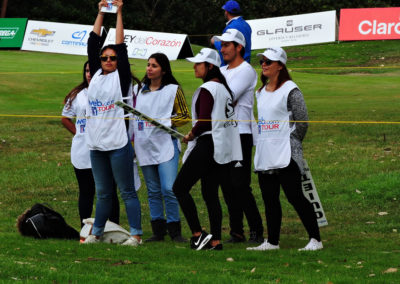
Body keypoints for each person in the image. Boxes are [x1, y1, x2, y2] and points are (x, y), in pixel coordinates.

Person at [247, 47, 323, 251]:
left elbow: (302, 121)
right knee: (269, 198)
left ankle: (315, 239)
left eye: (268, 62)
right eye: (262, 61)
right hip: (266, 152)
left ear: (280, 65)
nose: (263, 65)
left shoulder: (291, 89)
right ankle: (272, 242)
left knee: (294, 196)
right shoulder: (260, 92)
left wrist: (292, 141)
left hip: (287, 151)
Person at [83, 0, 142, 246]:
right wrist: (100, 13)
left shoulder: (122, 76)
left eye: (112, 58)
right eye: (105, 57)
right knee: (104, 192)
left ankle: (136, 234)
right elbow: (92, 42)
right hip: (96, 145)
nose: (108, 60)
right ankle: (96, 233)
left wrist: (118, 13)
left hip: (118, 143)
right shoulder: (96, 73)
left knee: (126, 191)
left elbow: (120, 44)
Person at [172, 48, 242, 251]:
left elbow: (204, 122)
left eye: (198, 64)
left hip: (208, 144)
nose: (194, 66)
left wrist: (190, 135)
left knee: (179, 188)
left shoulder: (208, 89)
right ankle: (215, 241)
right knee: (210, 194)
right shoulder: (224, 88)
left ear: (210, 66)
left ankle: (197, 234)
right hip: (221, 147)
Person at [212, 29, 264, 244]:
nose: (222, 49)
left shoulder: (246, 70)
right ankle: (236, 231)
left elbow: (227, 97)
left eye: (226, 45)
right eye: (221, 45)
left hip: (241, 133)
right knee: (227, 185)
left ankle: (256, 229)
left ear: (239, 47)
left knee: (240, 185)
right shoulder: (222, 69)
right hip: (223, 132)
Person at [133, 52, 190, 242]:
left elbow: (184, 116)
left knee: (169, 188)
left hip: (166, 145)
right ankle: (158, 230)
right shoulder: (138, 90)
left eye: (154, 66)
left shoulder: (173, 89)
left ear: (163, 70)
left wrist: (164, 122)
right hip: (144, 146)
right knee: (153, 190)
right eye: (148, 65)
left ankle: (175, 230)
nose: (149, 68)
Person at [61, 61, 120, 228]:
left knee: (109, 191)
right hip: (82, 151)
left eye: (91, 70)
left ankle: (113, 226)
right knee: (86, 191)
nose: (88, 73)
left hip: (107, 148)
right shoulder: (77, 95)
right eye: (86, 70)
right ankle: (85, 229)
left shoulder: (111, 91)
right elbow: (65, 118)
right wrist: (78, 132)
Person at [211, 0, 252, 66]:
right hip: (245, 64)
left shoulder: (230, 27)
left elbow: (227, 48)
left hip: (234, 65)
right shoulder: (246, 25)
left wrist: (214, 42)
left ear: (226, 12)